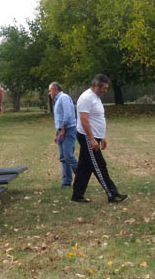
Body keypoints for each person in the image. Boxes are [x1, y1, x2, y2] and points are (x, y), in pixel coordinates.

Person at [71, 74, 128, 203]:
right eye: (105, 88)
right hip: (87, 137)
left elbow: (97, 118)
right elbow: (84, 120)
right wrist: (92, 139)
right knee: (99, 166)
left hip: (94, 137)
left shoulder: (96, 97)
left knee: (84, 168)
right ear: (97, 86)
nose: (106, 91)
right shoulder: (86, 98)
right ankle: (112, 194)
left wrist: (102, 137)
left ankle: (77, 196)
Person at [48, 82, 78, 187]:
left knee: (68, 156)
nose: (49, 93)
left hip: (68, 129)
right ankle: (66, 182)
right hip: (62, 130)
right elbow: (59, 119)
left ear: (55, 89)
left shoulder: (63, 98)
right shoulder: (58, 100)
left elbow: (68, 114)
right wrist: (57, 133)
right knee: (63, 158)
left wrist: (64, 129)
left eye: (50, 90)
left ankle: (82, 177)